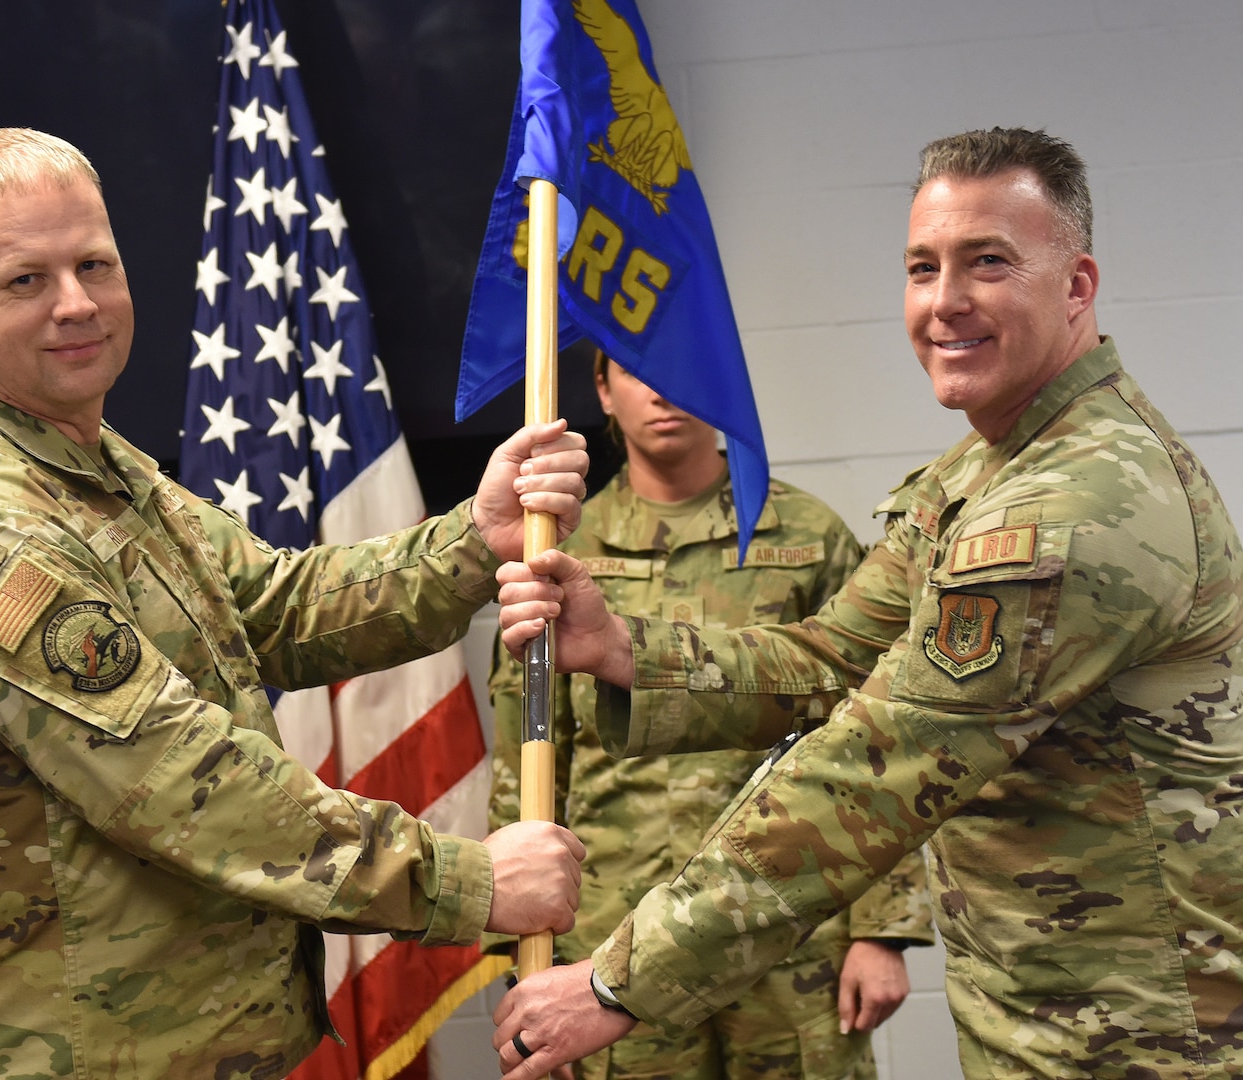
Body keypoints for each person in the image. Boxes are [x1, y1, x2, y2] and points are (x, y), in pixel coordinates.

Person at [489, 127, 1243, 1079]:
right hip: (1047, 1015)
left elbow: (872, 769)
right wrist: (627, 649)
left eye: (989, 264)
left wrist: (617, 982)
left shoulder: (1073, 508)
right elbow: (829, 660)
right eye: (922, 268)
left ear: (1078, 286)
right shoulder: (982, 472)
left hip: (1140, 1039)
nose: (944, 303)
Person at [0, 127, 591, 1080]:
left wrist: (471, 542)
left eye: (94, 265)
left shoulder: (90, 468)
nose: (76, 304)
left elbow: (274, 608)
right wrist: (468, 882)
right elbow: (188, 784)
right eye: (25, 280)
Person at [487, 351, 932, 1080]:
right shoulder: (561, 549)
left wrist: (884, 929)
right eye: (633, 369)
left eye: (676, 360)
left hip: (787, 920)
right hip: (609, 934)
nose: (663, 387)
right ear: (601, 389)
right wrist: (522, 963)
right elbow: (526, 756)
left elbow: (878, 728)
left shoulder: (806, 534)